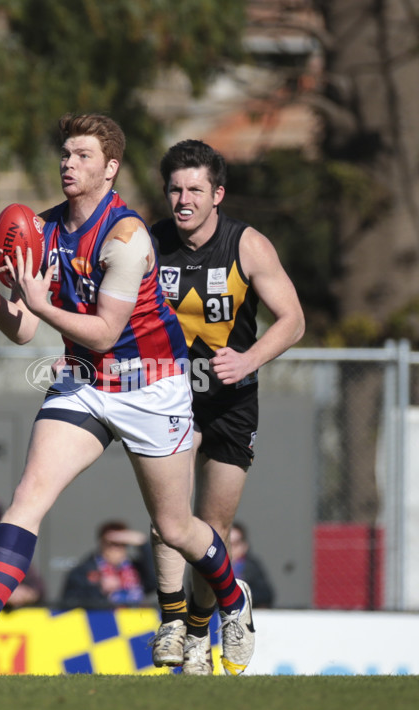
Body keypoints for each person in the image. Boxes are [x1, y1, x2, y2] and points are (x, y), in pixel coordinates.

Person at [0, 113, 252, 670]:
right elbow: (25, 329)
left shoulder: (126, 237)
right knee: (30, 493)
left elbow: (104, 331)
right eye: (65, 154)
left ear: (110, 168)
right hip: (84, 384)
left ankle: (233, 599)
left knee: (175, 527)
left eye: (82, 155)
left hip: (152, 388)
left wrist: (36, 302)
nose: (68, 164)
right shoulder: (43, 228)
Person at [149, 139, 305, 675]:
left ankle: (201, 626)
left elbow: (293, 320)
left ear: (217, 194)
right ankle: (172, 621)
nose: (183, 199)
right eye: (175, 188)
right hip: (170, 395)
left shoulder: (248, 246)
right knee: (169, 519)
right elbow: (114, 314)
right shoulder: (148, 245)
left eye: (195, 189)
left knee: (210, 533)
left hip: (232, 400)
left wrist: (249, 359)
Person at [60, 520, 156, 608]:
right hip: (101, 623)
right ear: (101, 543)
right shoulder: (83, 571)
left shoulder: (135, 569)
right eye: (111, 544)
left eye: (122, 544)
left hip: (135, 622)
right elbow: (68, 603)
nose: (116, 549)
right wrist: (99, 589)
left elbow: (154, 580)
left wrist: (143, 543)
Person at [229, 521, 274, 609]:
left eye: (235, 544)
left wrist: (242, 596)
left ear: (244, 546)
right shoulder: (213, 567)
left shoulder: (252, 567)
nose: (231, 548)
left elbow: (265, 595)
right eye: (227, 543)